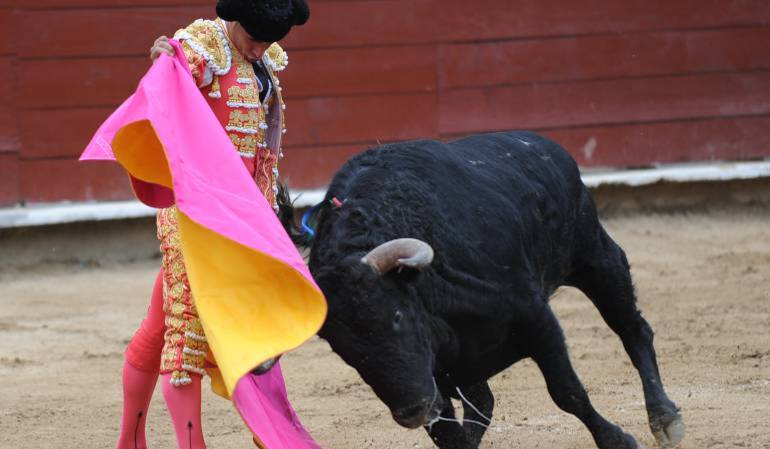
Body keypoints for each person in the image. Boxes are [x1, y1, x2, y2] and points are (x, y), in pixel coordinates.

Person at [115, 1, 310, 448]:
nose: (261, 49)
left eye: (269, 41)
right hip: (194, 216)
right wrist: (163, 60)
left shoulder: (262, 57)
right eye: (254, 38)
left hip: (244, 218)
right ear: (236, 21)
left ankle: (129, 442)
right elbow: (168, 80)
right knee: (186, 334)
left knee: (160, 326)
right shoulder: (204, 46)